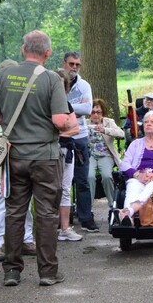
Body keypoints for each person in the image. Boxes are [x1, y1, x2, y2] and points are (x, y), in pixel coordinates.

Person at [0, 30, 77, 287]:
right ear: (48, 54)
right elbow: (60, 121)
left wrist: (18, 124)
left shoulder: (5, 74)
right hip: (45, 158)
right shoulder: (51, 78)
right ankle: (48, 273)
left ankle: (12, 271)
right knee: (47, 214)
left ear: (23, 50)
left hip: (14, 155)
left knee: (14, 212)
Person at [0, 59, 36, 261]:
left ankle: (26, 239)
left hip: (21, 156)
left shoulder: (21, 98)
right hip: (1, 157)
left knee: (25, 197)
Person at [62, 52, 97, 232]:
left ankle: (85, 217)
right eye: (71, 64)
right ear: (64, 63)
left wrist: (64, 107)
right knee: (61, 182)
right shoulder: (56, 82)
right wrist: (75, 109)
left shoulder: (84, 85)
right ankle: (61, 221)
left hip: (81, 136)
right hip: (61, 137)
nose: (74, 67)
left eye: (77, 64)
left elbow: (87, 108)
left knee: (82, 179)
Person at [54, 69, 83, 242]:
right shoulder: (41, 103)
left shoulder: (66, 104)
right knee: (48, 190)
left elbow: (75, 128)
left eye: (61, 84)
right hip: (47, 153)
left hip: (66, 151)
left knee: (65, 189)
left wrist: (57, 133)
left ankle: (64, 228)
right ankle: (48, 229)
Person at [87, 98, 125, 208]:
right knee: (89, 177)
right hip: (90, 155)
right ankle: (89, 209)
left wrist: (105, 130)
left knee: (107, 176)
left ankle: (113, 206)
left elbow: (121, 134)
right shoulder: (86, 123)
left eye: (98, 112)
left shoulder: (109, 122)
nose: (95, 115)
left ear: (103, 113)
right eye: (93, 112)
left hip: (106, 155)